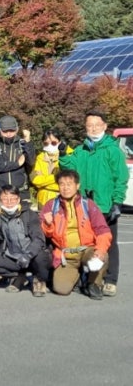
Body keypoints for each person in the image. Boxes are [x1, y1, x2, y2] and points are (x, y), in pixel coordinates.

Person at [59, 109, 127, 297]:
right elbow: (68, 169)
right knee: (86, 243)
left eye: (97, 125)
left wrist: (117, 202)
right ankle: (87, 278)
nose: (93, 128)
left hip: (105, 205)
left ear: (105, 126)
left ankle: (111, 279)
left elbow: (120, 178)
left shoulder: (113, 150)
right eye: (89, 125)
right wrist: (63, 154)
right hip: (83, 206)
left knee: (109, 243)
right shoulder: (81, 150)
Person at [40, 169, 112, 300]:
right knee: (61, 289)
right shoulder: (51, 205)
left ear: (77, 186)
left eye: (69, 184)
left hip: (87, 250)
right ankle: (79, 276)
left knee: (102, 256)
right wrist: (48, 224)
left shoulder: (88, 204)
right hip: (66, 255)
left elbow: (103, 230)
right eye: (62, 184)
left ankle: (93, 283)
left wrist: (100, 250)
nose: (65, 188)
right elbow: (45, 234)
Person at [0, 185, 51, 297]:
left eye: (12, 198)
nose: (9, 202)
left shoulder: (29, 214)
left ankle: (39, 280)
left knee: (42, 257)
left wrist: (28, 255)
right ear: (0, 200)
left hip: (32, 256)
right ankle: (20, 275)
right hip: (15, 257)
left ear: (18, 199)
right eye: (5, 199)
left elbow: (39, 239)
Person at [0, 115, 36, 201]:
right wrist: (17, 164)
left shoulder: (23, 144)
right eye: (5, 131)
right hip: (0, 194)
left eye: (12, 131)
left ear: (17, 129)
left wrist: (28, 141)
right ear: (0, 130)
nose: (8, 134)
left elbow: (31, 161)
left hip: (21, 194)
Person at [30, 128, 72, 210]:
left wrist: (44, 182)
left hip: (63, 200)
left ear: (60, 142)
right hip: (43, 201)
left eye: (53, 143)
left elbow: (69, 182)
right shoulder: (39, 158)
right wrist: (56, 177)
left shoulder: (69, 156)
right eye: (46, 143)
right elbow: (35, 180)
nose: (49, 146)